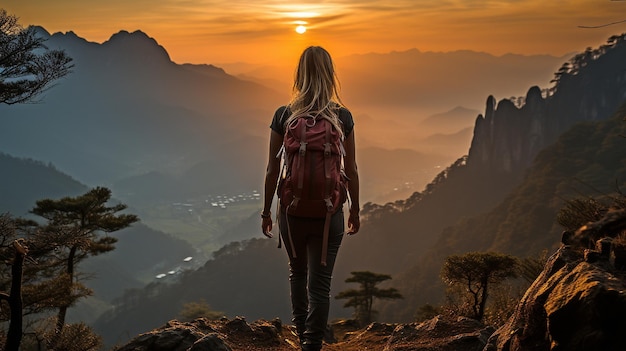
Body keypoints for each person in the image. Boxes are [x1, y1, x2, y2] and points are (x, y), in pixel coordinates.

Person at [261, 46, 360, 351]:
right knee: (320, 285)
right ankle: (311, 346)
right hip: (330, 213)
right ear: (330, 75)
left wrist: (266, 211)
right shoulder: (341, 116)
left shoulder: (284, 115)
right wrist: (355, 209)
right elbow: (351, 168)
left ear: (299, 74)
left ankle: (302, 335)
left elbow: (271, 169)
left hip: (292, 212)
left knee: (297, 274)